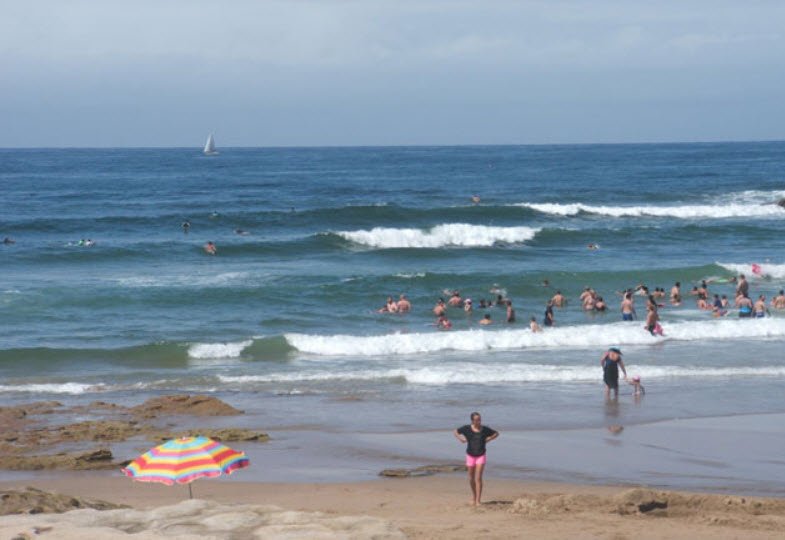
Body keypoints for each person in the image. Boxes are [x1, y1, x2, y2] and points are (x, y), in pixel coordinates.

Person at [453, 412, 499, 506]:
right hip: (470, 455)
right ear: (472, 421)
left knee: (478, 478)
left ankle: (478, 500)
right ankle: (474, 498)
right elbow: (455, 431)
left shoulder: (485, 429)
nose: (479, 421)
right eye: (477, 420)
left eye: (480, 419)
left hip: (481, 455)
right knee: (471, 479)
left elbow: (496, 433)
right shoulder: (466, 429)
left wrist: (489, 439)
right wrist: (460, 439)